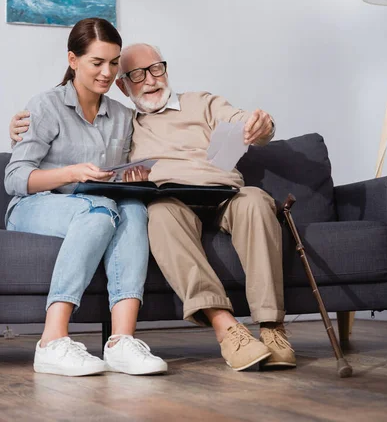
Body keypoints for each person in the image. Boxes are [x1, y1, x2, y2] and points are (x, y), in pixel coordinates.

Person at [10, 42, 296, 372]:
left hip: (225, 194)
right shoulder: (124, 122)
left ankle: (272, 328)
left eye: (156, 68)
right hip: (172, 201)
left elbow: (244, 121)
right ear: (122, 84)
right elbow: (77, 143)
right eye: (137, 74)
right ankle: (227, 328)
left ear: (166, 69)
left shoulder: (201, 102)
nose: (150, 80)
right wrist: (19, 133)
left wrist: (261, 125)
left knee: (258, 200)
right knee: (156, 215)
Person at [5, 21, 167, 377]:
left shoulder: (123, 117)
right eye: (97, 62)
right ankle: (51, 340)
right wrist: (71, 173)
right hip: (34, 206)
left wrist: (132, 177)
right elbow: (15, 179)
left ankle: (121, 341)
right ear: (73, 60)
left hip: (95, 203)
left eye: (113, 63)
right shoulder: (45, 106)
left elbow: (116, 176)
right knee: (100, 209)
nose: (107, 72)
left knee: (133, 208)